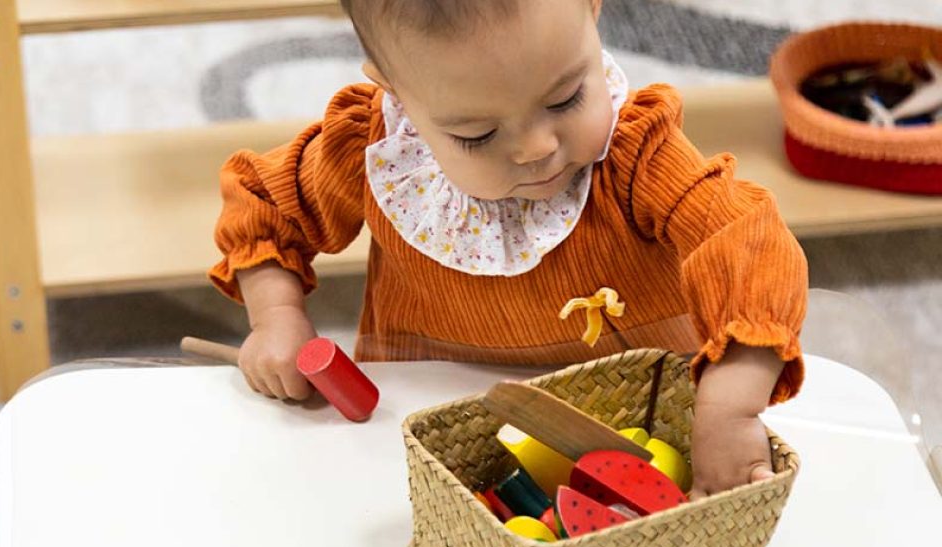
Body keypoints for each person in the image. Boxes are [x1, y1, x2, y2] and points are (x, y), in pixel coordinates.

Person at [208, 0, 807, 498]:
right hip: (431, 431)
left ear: (592, 13)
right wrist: (277, 316)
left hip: (637, 424)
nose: (535, 148)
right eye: (477, 134)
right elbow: (268, 203)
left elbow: (745, 236)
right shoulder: (378, 153)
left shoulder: (634, 156)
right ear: (398, 93)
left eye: (567, 98)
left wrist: (730, 406)